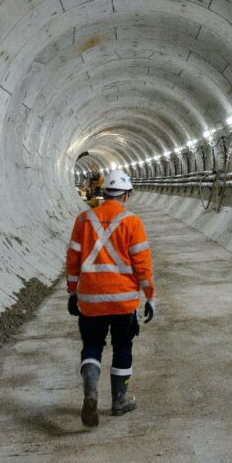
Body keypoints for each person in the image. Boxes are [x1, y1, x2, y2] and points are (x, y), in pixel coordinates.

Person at [66, 168, 156, 427]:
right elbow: (142, 264)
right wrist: (150, 296)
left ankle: (91, 391)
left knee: (92, 346)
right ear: (126, 195)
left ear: (104, 193)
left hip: (91, 301)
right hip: (122, 302)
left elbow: (73, 260)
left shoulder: (84, 220)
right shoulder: (132, 222)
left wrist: (72, 292)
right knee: (123, 348)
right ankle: (119, 401)